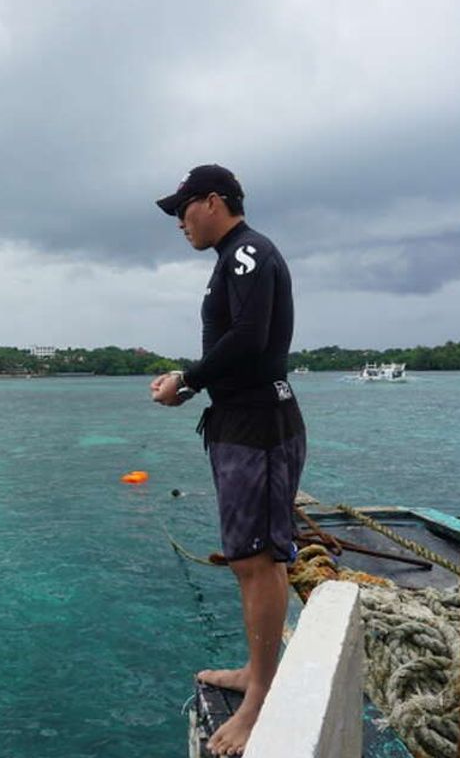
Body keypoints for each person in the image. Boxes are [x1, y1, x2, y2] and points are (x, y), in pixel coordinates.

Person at [150, 164, 307, 756]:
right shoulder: (236, 258)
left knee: (257, 560)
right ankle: (255, 670)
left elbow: (248, 337)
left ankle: (260, 695)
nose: (179, 224)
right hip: (244, 421)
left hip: (260, 428)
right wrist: (194, 388)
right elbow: (242, 349)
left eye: (183, 211)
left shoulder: (247, 254)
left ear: (213, 201)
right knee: (250, 558)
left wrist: (189, 377)